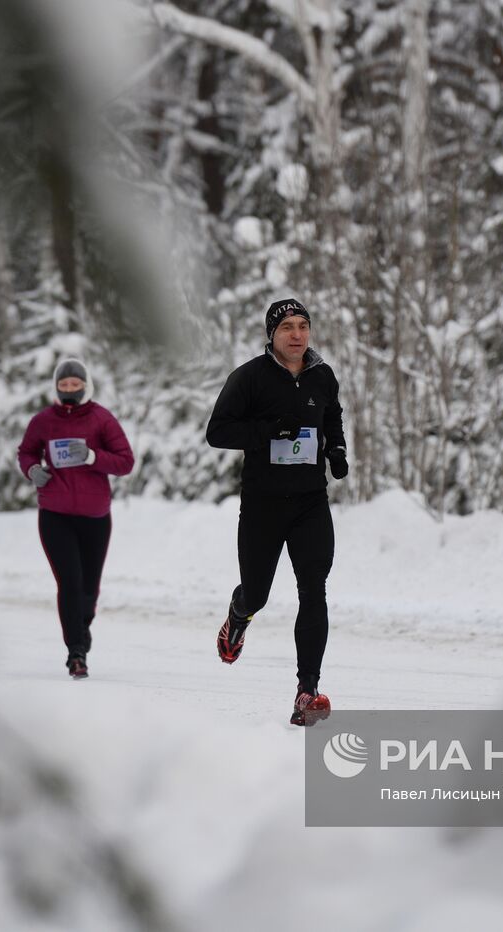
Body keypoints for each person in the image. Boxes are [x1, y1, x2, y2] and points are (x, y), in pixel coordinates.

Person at [206, 297, 348, 726]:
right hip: (263, 504)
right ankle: (239, 613)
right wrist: (268, 431)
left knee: (314, 590)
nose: (297, 334)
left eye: (303, 325)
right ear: (272, 334)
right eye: (287, 326)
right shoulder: (249, 377)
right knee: (258, 593)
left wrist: (337, 449)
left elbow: (333, 418)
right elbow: (218, 431)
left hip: (309, 501)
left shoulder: (322, 375)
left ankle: (308, 691)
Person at [17, 358, 135, 679]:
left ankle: (81, 628)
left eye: (75, 384)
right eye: (64, 385)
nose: (69, 389)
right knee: (69, 583)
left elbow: (126, 462)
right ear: (56, 387)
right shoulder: (43, 421)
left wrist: (94, 456)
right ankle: (76, 653)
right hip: (54, 515)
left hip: (95, 517)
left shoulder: (101, 419)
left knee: (88, 589)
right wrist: (32, 470)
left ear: (85, 386)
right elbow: (26, 451)